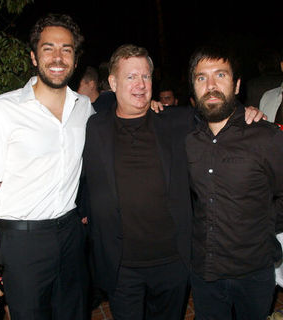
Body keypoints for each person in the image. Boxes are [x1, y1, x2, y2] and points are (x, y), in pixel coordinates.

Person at [82, 44, 265, 320]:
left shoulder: (177, 122)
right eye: (131, 77)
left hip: (173, 262)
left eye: (145, 76)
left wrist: (247, 112)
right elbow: (83, 176)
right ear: (112, 82)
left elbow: (216, 110)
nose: (141, 85)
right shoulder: (94, 128)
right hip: (120, 265)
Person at [0, 13, 94, 319]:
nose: (57, 57)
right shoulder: (2, 110)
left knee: (75, 313)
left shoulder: (85, 108)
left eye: (66, 49)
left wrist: (152, 109)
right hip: (22, 243)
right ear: (34, 57)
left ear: (75, 60)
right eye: (48, 48)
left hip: (71, 234)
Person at [185, 45, 283, 320]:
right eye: (201, 78)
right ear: (193, 88)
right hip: (205, 272)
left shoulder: (266, 136)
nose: (211, 85)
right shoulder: (186, 138)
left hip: (254, 271)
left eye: (220, 75)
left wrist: (261, 223)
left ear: (237, 84)